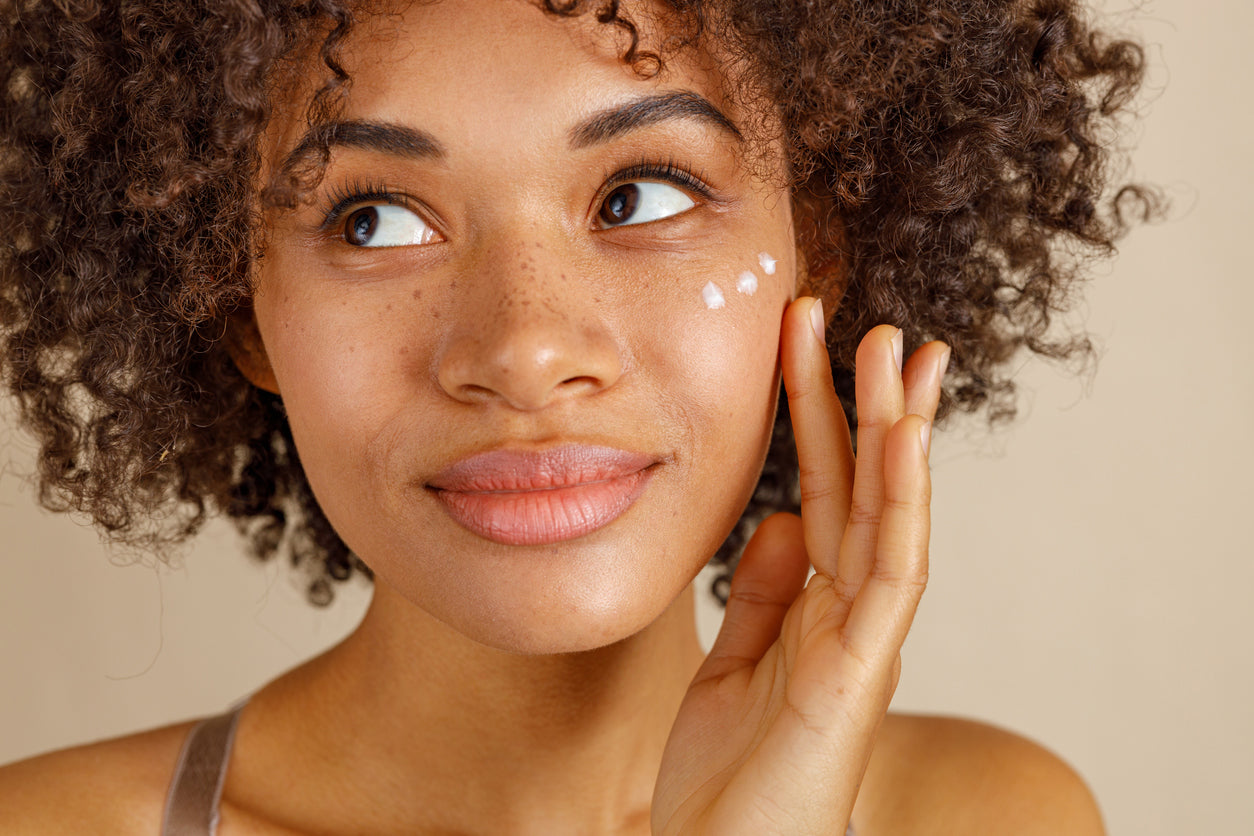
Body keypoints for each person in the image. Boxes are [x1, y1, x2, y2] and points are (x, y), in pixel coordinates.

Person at [0, 0, 1149, 832]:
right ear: (234, 302)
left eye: (640, 194)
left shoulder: (993, 816)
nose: (525, 351)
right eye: (373, 221)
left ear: (820, 250)